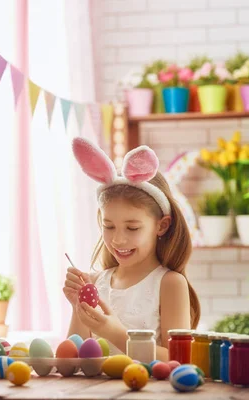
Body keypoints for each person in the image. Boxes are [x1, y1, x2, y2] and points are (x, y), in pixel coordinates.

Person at [63, 138, 200, 361]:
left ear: (161, 226)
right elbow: (73, 359)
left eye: (132, 227)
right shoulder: (96, 282)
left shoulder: (170, 284)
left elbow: (179, 360)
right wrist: (77, 307)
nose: (118, 239)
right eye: (109, 226)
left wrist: (115, 334)